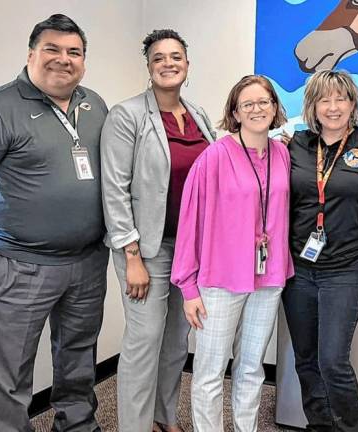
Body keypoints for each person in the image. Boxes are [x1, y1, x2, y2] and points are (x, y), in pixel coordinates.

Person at [0, 14, 109, 432]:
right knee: (9, 374)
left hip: (88, 264)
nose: (63, 59)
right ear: (32, 54)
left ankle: (78, 426)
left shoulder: (94, 103)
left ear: (84, 61)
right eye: (52, 49)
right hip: (19, 266)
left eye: (74, 51)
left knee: (78, 362)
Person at [101, 29, 216, 432]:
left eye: (176, 56)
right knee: (143, 342)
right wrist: (131, 256)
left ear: (187, 63)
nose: (168, 63)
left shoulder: (199, 115)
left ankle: (164, 418)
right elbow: (114, 190)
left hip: (191, 250)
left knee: (175, 343)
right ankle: (134, 426)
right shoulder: (127, 115)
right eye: (159, 58)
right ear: (148, 67)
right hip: (146, 249)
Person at [171, 75, 293, 432]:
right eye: (248, 104)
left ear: (274, 108)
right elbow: (190, 222)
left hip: (268, 278)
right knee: (210, 370)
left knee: (251, 366)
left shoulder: (282, 153)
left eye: (263, 102)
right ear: (235, 113)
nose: (257, 109)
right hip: (220, 280)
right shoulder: (214, 157)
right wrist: (188, 288)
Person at [282, 69, 358, 432]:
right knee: (306, 359)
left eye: (340, 99)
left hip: (346, 270)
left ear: (353, 104)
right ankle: (319, 426)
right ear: (312, 106)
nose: (332, 107)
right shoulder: (294, 145)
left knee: (333, 360)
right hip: (298, 270)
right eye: (324, 99)